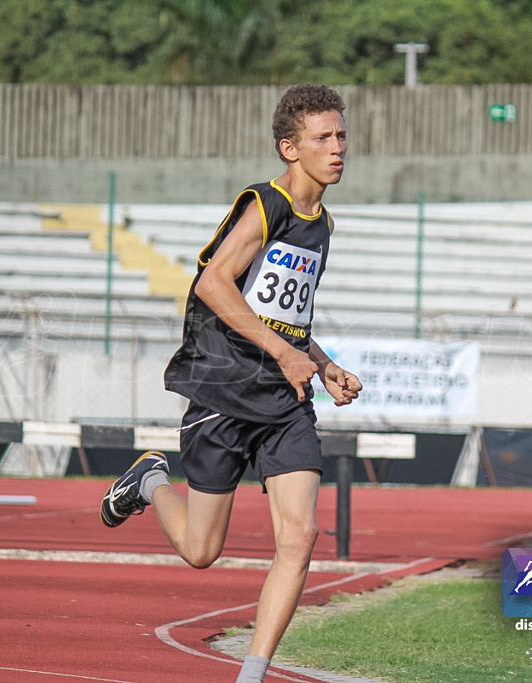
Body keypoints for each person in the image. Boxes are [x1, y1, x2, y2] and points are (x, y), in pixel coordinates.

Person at [101, 83, 362, 683]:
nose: (338, 146)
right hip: (224, 388)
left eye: (342, 134)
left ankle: (252, 674)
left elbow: (288, 321)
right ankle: (149, 481)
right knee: (201, 551)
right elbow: (213, 284)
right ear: (289, 148)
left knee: (301, 534)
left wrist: (322, 365)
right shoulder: (267, 205)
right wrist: (282, 352)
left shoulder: (321, 225)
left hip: (285, 400)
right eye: (323, 137)